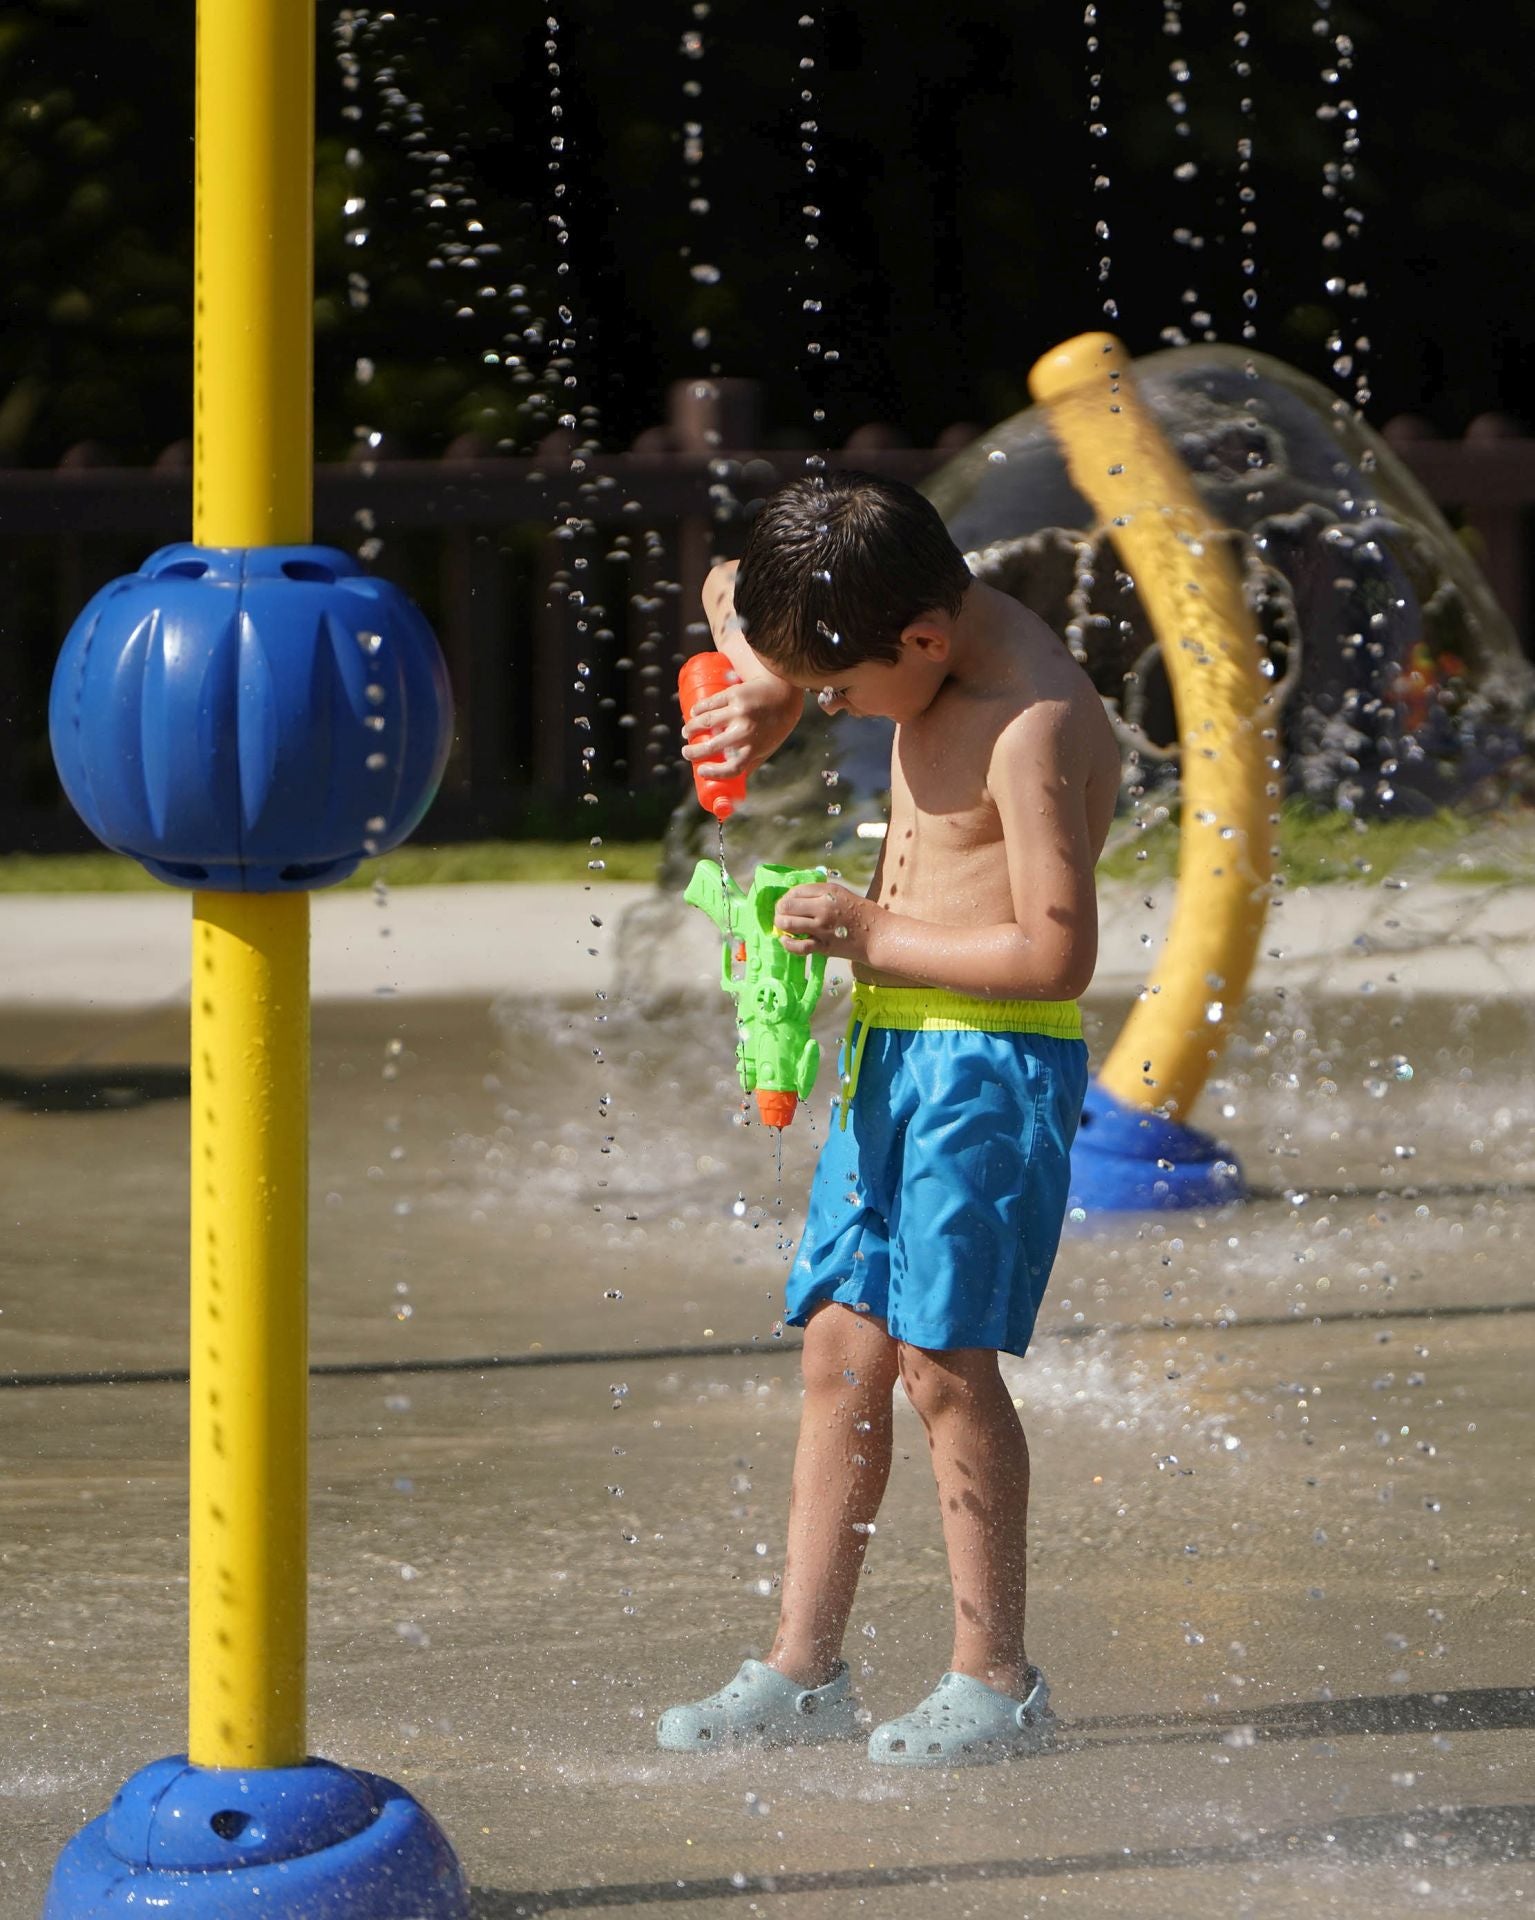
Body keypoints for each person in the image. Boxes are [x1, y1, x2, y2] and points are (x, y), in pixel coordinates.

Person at [659, 471, 1120, 1768]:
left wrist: (869, 930)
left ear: (919, 641)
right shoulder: (911, 629)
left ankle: (997, 1679)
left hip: (991, 1065)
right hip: (897, 1046)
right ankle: (803, 1670)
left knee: (943, 1364)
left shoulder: (1030, 722)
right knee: (842, 1350)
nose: (831, 712)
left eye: (839, 692)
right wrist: (763, 679)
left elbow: (1055, 955)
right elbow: (727, 587)